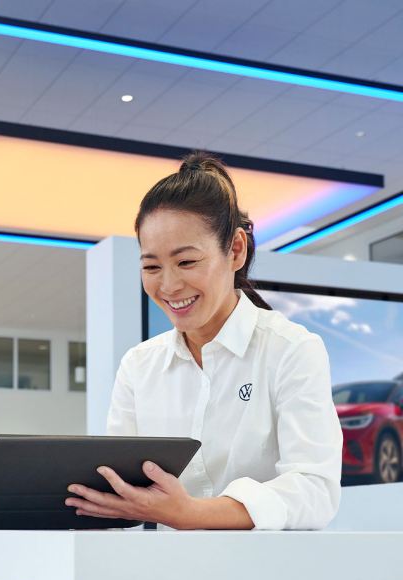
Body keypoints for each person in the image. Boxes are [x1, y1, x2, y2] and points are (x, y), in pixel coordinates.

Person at [66, 153, 342, 530]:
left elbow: (315, 491)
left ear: (236, 251)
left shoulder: (290, 349)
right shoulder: (139, 365)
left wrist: (191, 514)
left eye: (186, 262)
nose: (168, 285)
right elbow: (120, 493)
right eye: (151, 266)